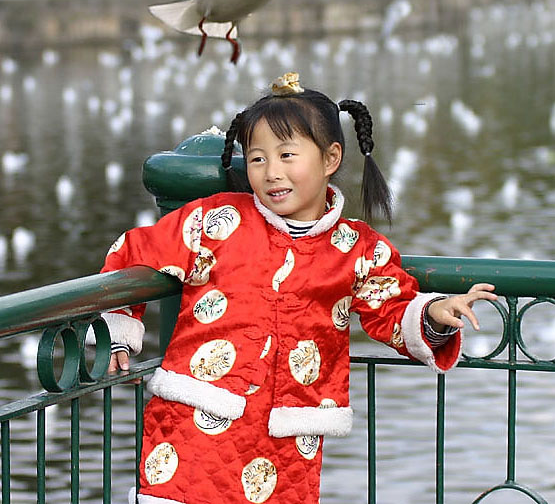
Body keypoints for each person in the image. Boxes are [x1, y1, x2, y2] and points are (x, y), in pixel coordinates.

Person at [101, 72, 496, 504]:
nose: (272, 173)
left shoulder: (358, 247)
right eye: (257, 159)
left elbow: (390, 307)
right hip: (195, 425)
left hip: (287, 443)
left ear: (331, 158)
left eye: (287, 155)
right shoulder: (216, 221)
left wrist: (434, 313)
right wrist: (119, 333)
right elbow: (135, 251)